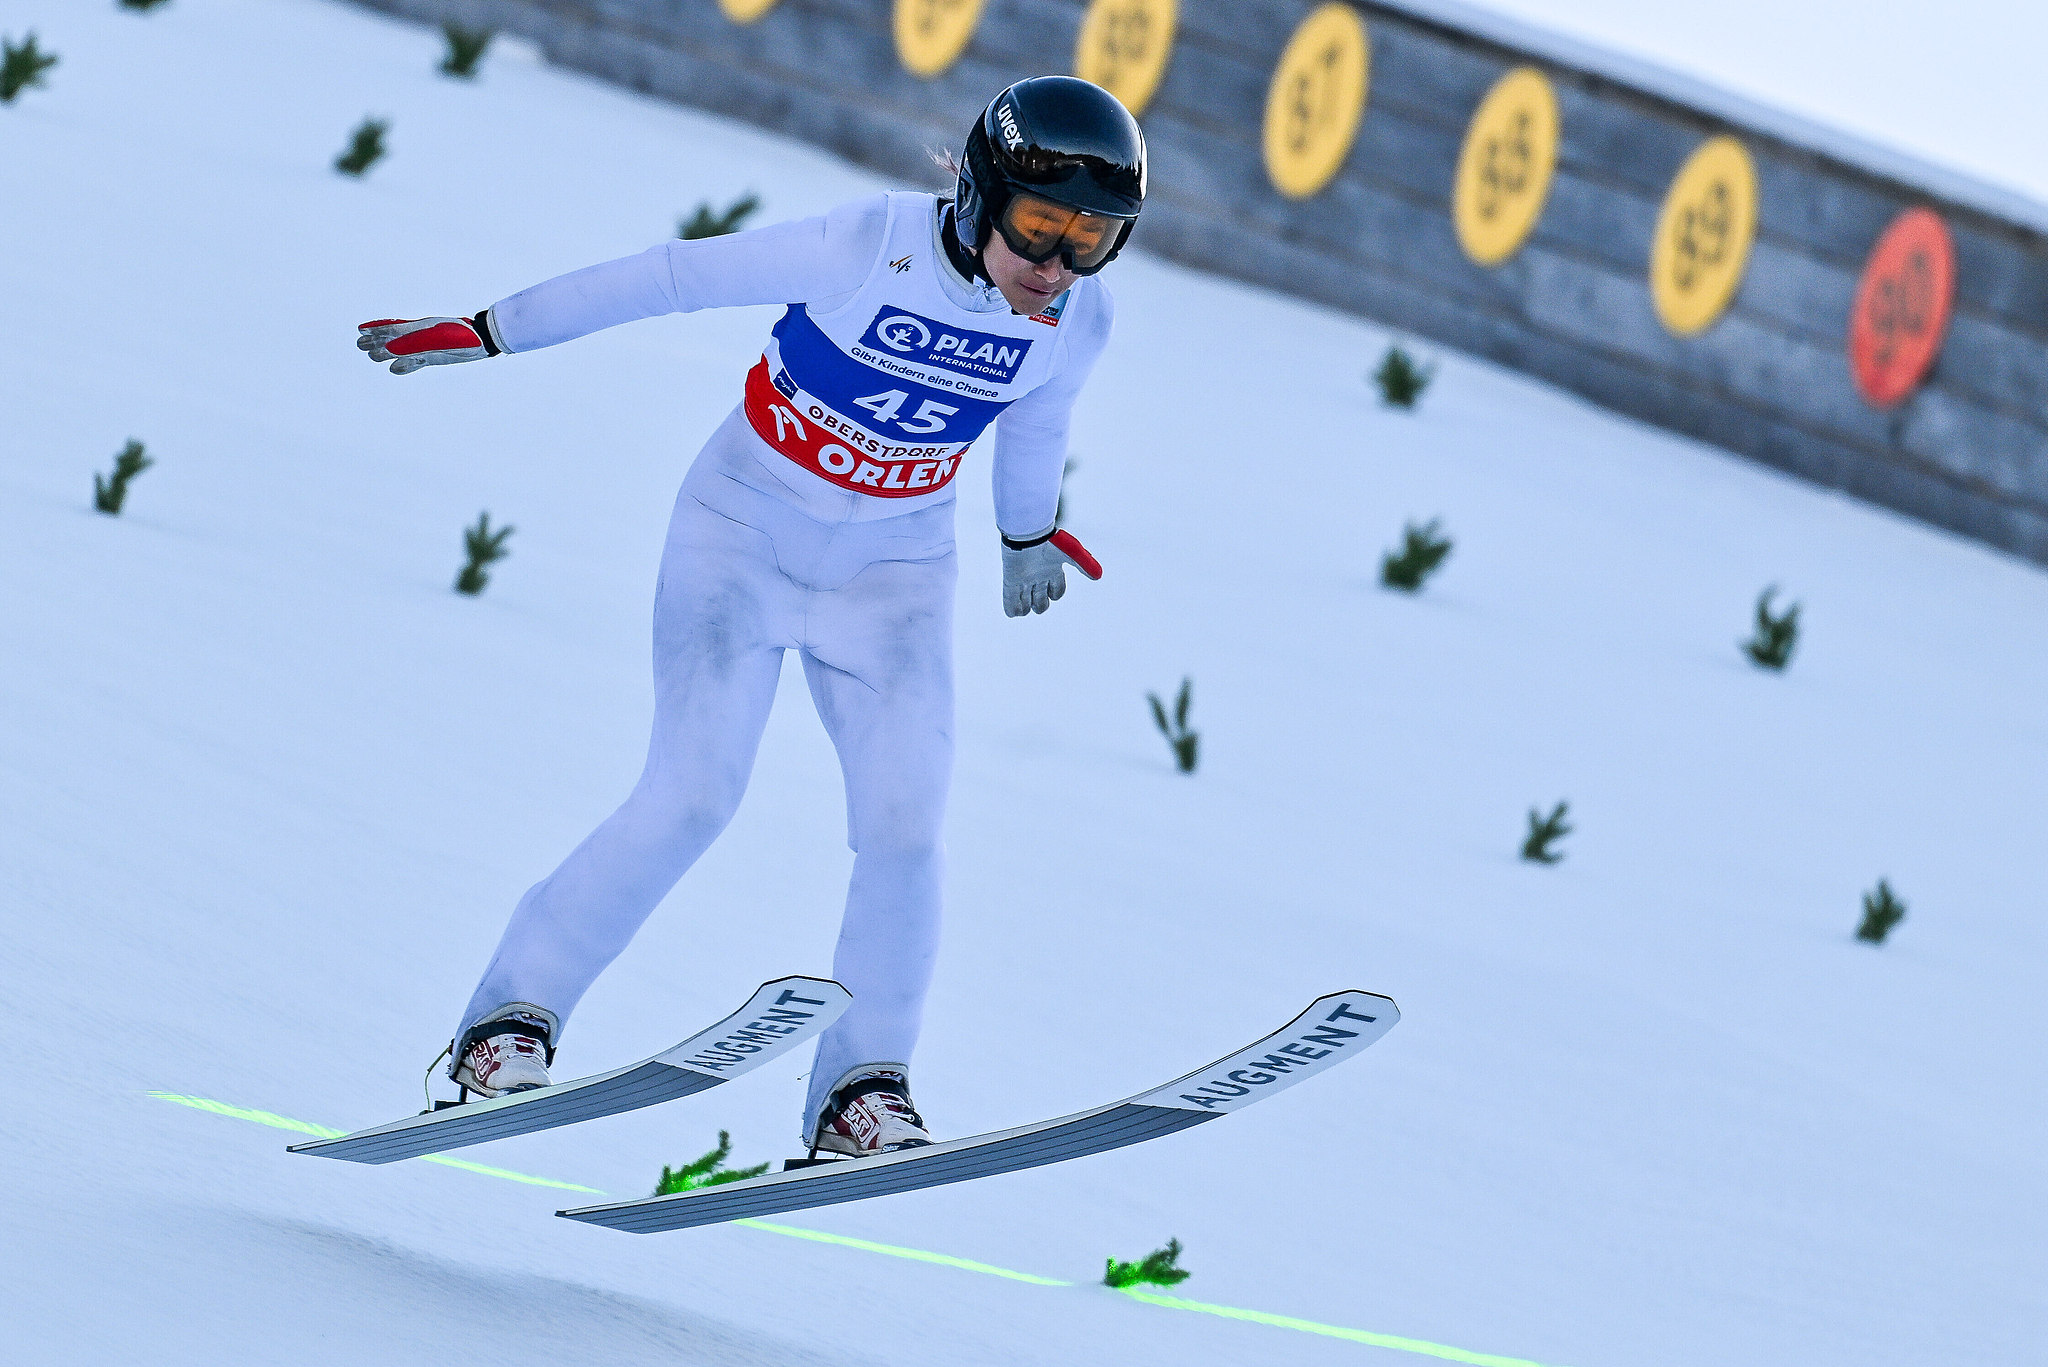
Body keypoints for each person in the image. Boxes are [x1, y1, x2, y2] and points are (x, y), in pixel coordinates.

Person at [357, 76, 1145, 1159]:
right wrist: (493, 329)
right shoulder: (866, 244)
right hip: (742, 535)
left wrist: (1024, 533)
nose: (1054, 266)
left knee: (907, 830)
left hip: (894, 578)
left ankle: (863, 1092)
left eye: (1089, 240)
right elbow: (671, 277)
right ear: (973, 195)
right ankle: (508, 1021)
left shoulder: (1077, 318)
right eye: (1038, 228)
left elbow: (1037, 422)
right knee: (691, 794)